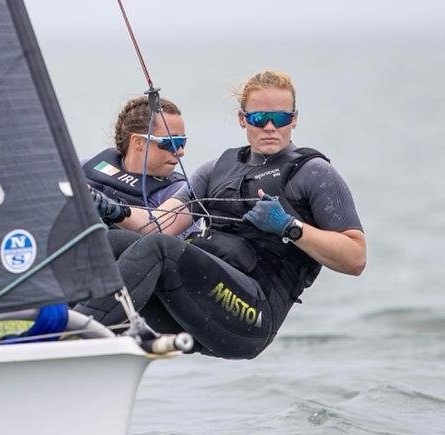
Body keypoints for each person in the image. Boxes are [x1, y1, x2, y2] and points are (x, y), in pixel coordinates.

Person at [76, 70, 366, 359]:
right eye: (257, 118)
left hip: (251, 317)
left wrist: (291, 227)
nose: (269, 127)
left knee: (160, 251)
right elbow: (158, 226)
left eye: (280, 118)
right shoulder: (216, 169)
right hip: (198, 306)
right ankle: (52, 322)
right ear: (242, 119)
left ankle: (76, 337)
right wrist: (115, 210)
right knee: (110, 242)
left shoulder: (314, 173)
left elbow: (355, 258)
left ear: (294, 119)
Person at [82, 95, 190, 228]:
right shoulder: (84, 166)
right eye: (172, 143)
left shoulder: (179, 192)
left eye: (182, 142)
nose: (180, 152)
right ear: (138, 142)